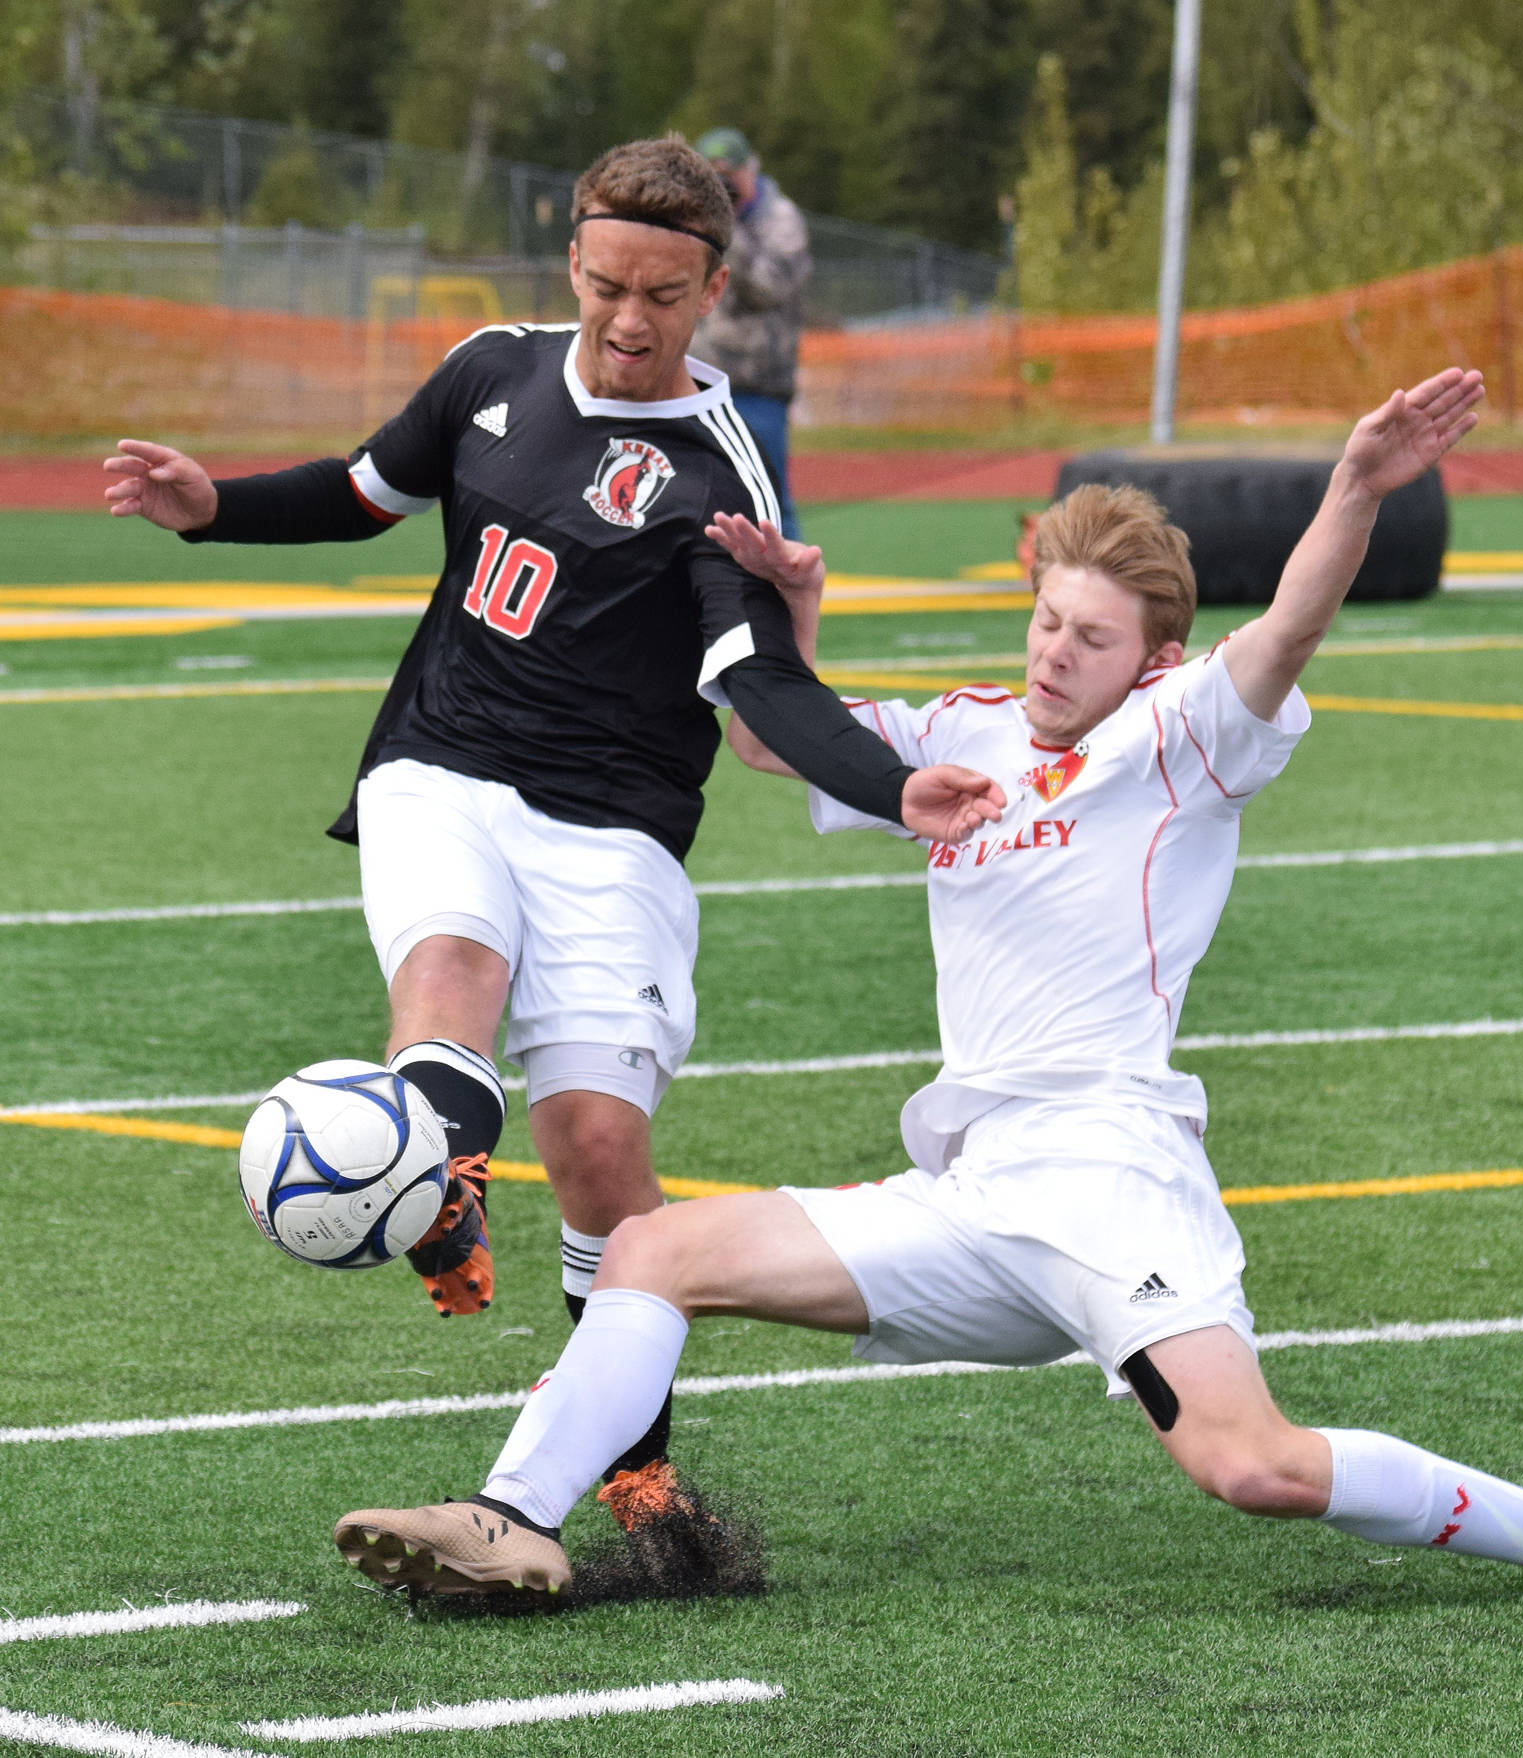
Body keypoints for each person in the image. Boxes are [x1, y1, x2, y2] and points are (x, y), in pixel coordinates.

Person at [331, 367, 1523, 1605]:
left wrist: (1357, 482)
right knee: (649, 1253)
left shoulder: (1188, 734)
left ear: (1150, 657)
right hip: (967, 1192)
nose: (1053, 652)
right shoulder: (964, 728)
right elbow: (780, 742)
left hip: (1107, 1178)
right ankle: (511, 1521)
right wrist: (801, 609)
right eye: (1044, 620)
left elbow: (1288, 633)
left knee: (1246, 1462)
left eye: (1089, 637)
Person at [103, 135, 1001, 1500]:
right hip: (441, 766)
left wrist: (887, 783)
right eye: (605, 286)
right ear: (572, 263)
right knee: (450, 973)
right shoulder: (491, 371)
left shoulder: (722, 478)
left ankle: (633, 1463)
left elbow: (759, 684)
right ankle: (441, 1188)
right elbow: (364, 492)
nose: (629, 321)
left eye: (662, 295)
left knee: (596, 1148)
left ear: (710, 292)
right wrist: (212, 507)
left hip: (613, 829)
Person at [692, 127, 810, 540]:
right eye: (712, 175)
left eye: (730, 174)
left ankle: (792, 600)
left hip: (758, 387)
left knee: (769, 501)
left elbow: (769, 289)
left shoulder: (781, 219)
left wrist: (726, 229)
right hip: (696, 384)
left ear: (752, 168)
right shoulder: (692, 219)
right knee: (697, 498)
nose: (722, 184)